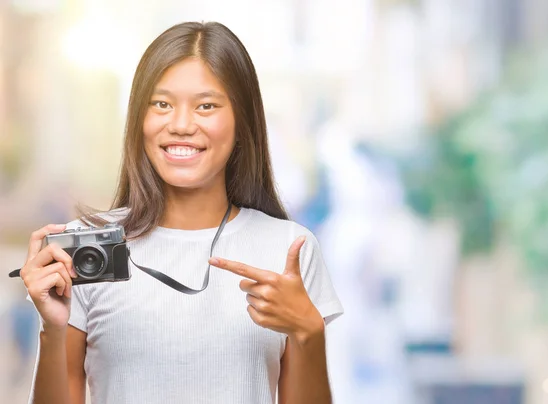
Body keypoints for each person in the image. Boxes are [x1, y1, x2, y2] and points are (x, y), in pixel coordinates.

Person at [19, 21, 343, 404]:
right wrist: (51, 331)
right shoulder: (87, 251)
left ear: (242, 122)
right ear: (140, 118)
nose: (181, 125)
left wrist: (308, 332)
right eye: (162, 104)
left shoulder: (289, 249)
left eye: (206, 106)